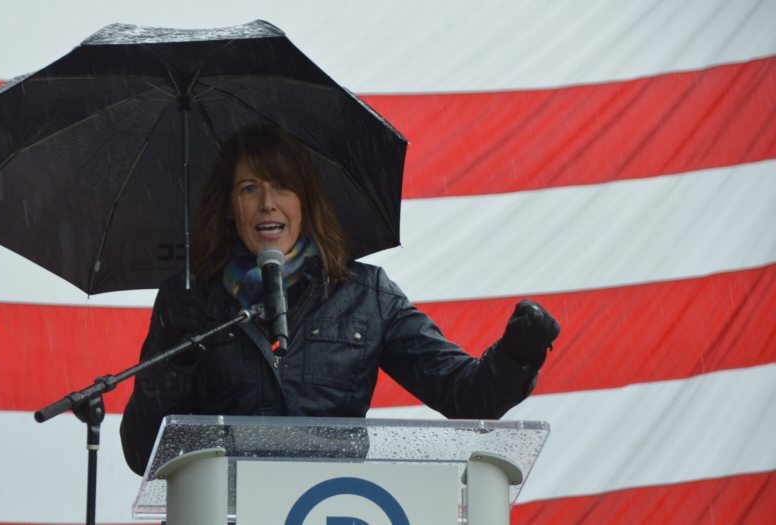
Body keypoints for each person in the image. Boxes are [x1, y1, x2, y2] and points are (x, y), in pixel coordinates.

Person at [119, 123, 560, 475]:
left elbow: (467, 397)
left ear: (306, 201)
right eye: (250, 188)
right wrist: (174, 358)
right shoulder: (190, 299)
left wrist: (518, 356)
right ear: (231, 207)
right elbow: (143, 452)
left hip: (330, 506)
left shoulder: (367, 295)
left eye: (283, 186)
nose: (268, 203)